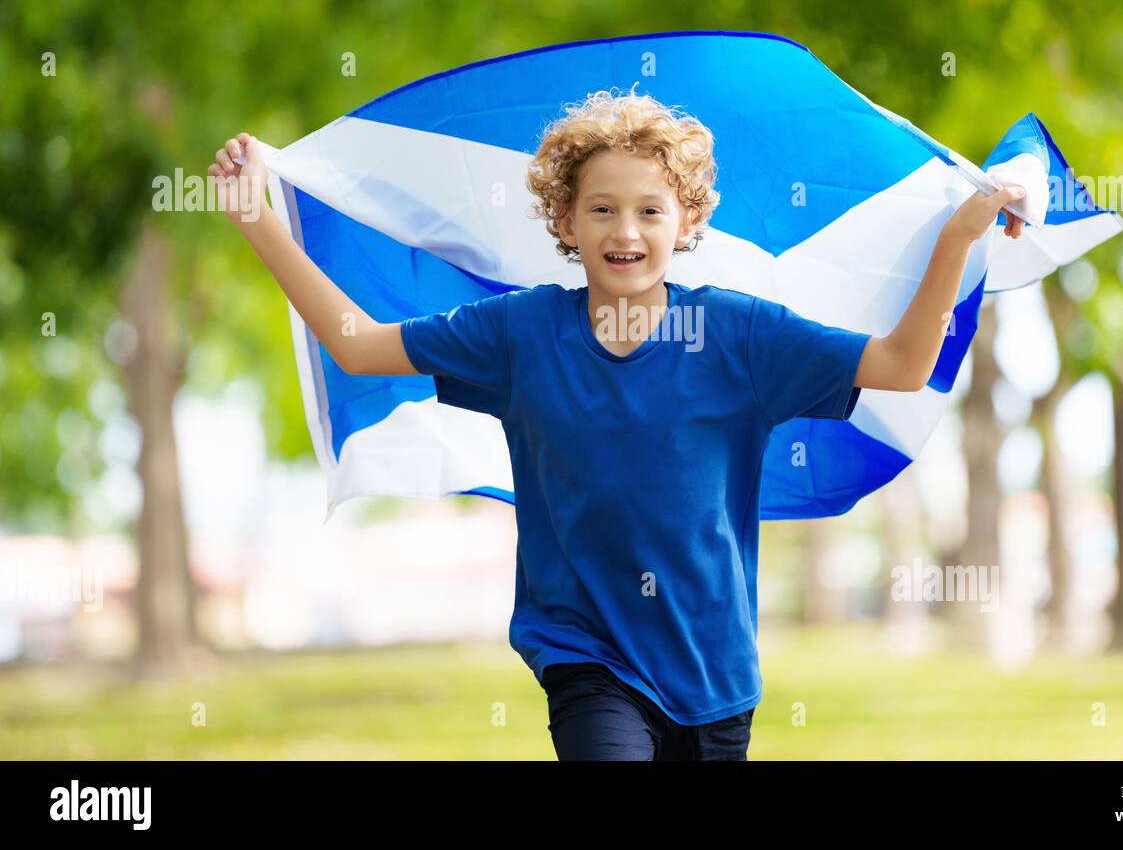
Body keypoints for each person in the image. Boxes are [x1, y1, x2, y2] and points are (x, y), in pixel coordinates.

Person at [208, 89, 1024, 760]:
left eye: (648, 211)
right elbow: (360, 347)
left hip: (715, 676)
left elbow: (900, 366)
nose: (625, 232)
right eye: (601, 209)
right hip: (587, 659)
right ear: (565, 222)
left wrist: (959, 235)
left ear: (686, 222)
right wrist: (262, 226)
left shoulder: (743, 337)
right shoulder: (520, 336)